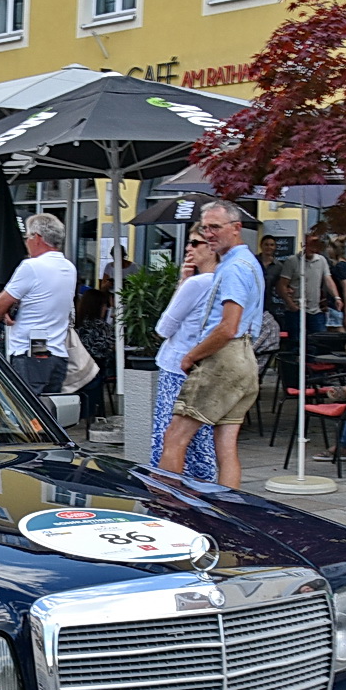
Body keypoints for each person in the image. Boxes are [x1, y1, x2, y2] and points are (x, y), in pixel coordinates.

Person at [161, 201, 263, 489]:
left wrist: (191, 356)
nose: (209, 234)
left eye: (215, 227)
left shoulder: (233, 268)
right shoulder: (248, 263)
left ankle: (167, 506)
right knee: (226, 447)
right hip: (245, 357)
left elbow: (228, 326)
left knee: (175, 437)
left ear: (236, 228)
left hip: (224, 358)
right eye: (205, 227)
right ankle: (229, 510)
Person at [150, 233, 220, 480]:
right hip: (209, 366)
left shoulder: (197, 284)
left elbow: (163, 328)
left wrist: (182, 284)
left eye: (195, 243)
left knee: (170, 436)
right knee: (201, 439)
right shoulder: (227, 282)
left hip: (178, 364)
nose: (188, 248)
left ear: (211, 248)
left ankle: (169, 494)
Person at [0, 213, 76, 393]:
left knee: (29, 414)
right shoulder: (69, 267)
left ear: (37, 238)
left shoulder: (32, 266)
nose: (26, 242)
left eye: (27, 237)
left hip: (29, 353)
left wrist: (8, 306)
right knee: (49, 412)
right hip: (58, 352)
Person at [276, 234, 340, 339]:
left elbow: (328, 280)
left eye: (316, 245)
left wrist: (337, 297)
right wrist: (291, 304)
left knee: (318, 341)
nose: (313, 248)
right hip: (296, 310)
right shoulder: (292, 261)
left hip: (315, 310)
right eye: (310, 245)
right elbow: (282, 284)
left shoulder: (322, 260)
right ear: (304, 245)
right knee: (296, 343)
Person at [72, 288, 113, 422]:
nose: (106, 309)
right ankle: (94, 413)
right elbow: (106, 351)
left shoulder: (74, 326)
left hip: (73, 369)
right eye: (104, 306)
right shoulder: (103, 327)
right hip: (94, 370)